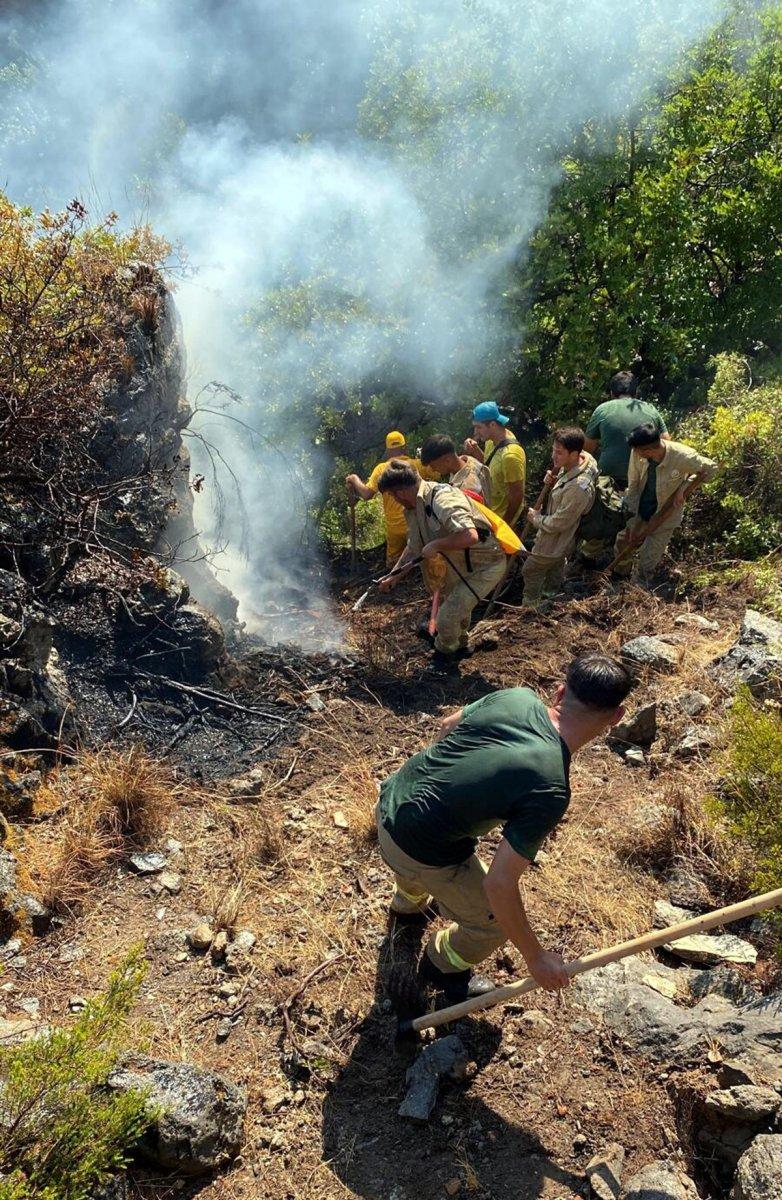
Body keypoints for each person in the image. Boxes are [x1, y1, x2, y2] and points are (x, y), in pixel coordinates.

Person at [376, 654, 634, 1008]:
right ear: (617, 716)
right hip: (416, 850)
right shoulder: (550, 787)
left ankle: (407, 905)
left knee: (428, 839)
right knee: (494, 925)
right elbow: (498, 885)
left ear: (560, 693)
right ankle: (440, 964)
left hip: (389, 800)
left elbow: (448, 725)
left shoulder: (517, 697)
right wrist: (535, 957)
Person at [376, 460, 507, 668]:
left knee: (445, 618)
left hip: (485, 566)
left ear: (400, 493)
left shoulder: (442, 499)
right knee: (455, 608)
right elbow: (414, 547)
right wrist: (394, 575)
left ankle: (444, 659)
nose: (394, 500)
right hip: (462, 566)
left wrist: (437, 544)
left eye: (392, 495)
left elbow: (470, 535)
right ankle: (460, 646)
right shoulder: (414, 507)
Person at [613, 423, 718, 585]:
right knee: (624, 541)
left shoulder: (683, 456)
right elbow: (633, 485)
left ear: (648, 450)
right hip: (641, 507)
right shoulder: (638, 453)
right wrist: (631, 522)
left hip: (666, 513)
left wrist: (683, 488)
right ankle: (620, 576)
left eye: (637, 450)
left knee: (648, 558)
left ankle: (638, 588)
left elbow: (711, 469)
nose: (634, 453)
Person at [522, 428, 598, 609]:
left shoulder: (578, 488)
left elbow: (559, 522)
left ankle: (530, 606)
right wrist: (555, 478)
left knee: (531, 569)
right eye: (553, 450)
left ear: (574, 454)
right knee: (555, 565)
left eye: (559, 453)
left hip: (555, 539)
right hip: (560, 541)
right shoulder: (583, 459)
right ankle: (551, 597)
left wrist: (536, 519)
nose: (553, 456)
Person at [345, 431, 437, 567]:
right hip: (417, 523)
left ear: (387, 450)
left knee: (394, 565)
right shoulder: (417, 465)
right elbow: (438, 473)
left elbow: (366, 494)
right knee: (424, 560)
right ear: (404, 447)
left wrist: (354, 479)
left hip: (395, 530)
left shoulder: (381, 469)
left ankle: (393, 578)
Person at [584, 371, 669, 490]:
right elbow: (666, 442)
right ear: (635, 392)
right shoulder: (650, 409)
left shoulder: (602, 410)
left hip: (608, 478)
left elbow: (587, 449)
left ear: (612, 393)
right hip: (644, 476)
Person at [463, 401, 526, 527]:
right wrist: (475, 450)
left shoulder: (510, 456)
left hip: (501, 519)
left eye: (479, 427)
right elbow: (489, 465)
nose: (475, 432)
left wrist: (503, 525)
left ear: (492, 424)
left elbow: (517, 496)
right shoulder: (492, 441)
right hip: (490, 512)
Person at [419, 434, 492, 504]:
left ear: (447, 461)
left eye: (433, 466)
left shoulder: (468, 487)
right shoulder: (467, 460)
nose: (433, 470)